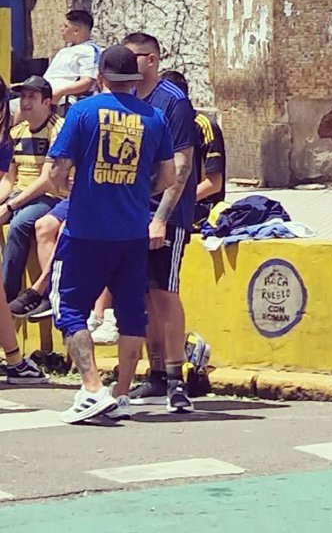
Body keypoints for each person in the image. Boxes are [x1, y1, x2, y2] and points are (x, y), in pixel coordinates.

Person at [48, 45, 176, 423]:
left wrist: (71, 190)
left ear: (101, 77)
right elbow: (168, 178)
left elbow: (57, 170)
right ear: (135, 80)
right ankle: (121, 392)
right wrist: (136, 193)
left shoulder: (83, 112)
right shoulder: (155, 118)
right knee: (131, 314)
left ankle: (92, 388)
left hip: (86, 231)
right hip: (132, 232)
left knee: (69, 307)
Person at [122, 33, 198, 411]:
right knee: (145, 293)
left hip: (165, 214)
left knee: (166, 294)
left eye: (132, 57)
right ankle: (153, 374)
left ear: (151, 59)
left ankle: (175, 379)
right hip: (133, 210)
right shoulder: (130, 100)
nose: (125, 63)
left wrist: (160, 218)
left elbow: (181, 167)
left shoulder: (173, 102)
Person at [0, 77, 69, 314]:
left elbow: (48, 180)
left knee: (19, 224)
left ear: (47, 101)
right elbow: (9, 179)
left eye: (32, 97)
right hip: (21, 194)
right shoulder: (16, 131)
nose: (25, 102)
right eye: (23, 96)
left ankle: (6, 297)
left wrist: (9, 208)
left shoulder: (58, 128)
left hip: (49, 197)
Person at [0, 77, 46, 384]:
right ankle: (15, 361)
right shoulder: (12, 134)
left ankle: (15, 361)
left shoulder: (8, 137)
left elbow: (8, 178)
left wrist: (6, 203)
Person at [160, 70, 227, 227]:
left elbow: (214, 183)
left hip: (201, 207)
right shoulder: (162, 123)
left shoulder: (204, 125)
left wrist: (174, 201)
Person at [42, 10, 100, 108]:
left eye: (65, 26)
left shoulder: (88, 50)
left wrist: (61, 92)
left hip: (61, 101)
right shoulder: (64, 51)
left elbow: (87, 82)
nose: (61, 29)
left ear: (76, 30)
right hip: (42, 95)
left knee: (14, 109)